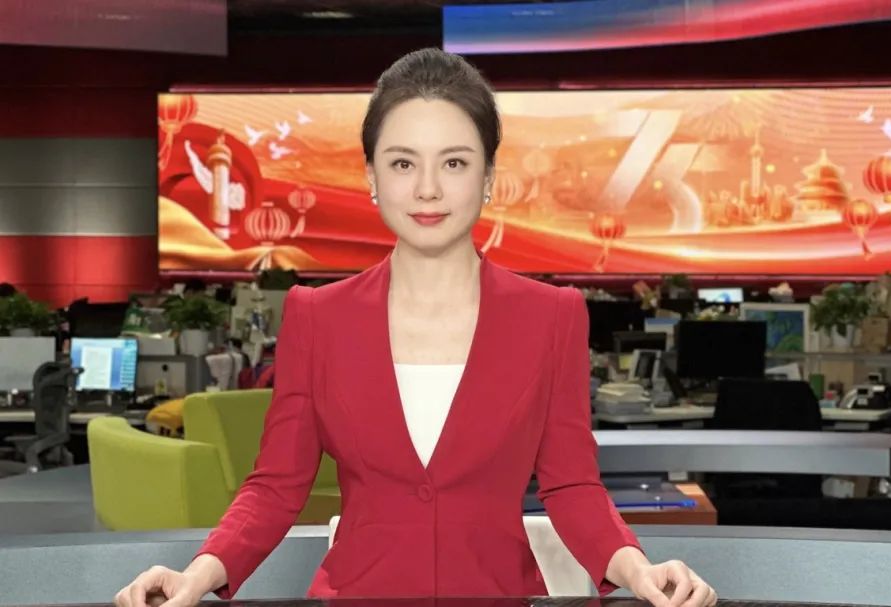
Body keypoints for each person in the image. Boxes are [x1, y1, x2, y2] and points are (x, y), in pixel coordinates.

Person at [114, 48, 717, 607]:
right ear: (372, 177)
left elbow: (572, 486)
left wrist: (638, 569)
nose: (428, 189)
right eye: (403, 163)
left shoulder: (551, 316)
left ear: (488, 177)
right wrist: (199, 574)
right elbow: (276, 485)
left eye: (454, 162)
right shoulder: (317, 316)